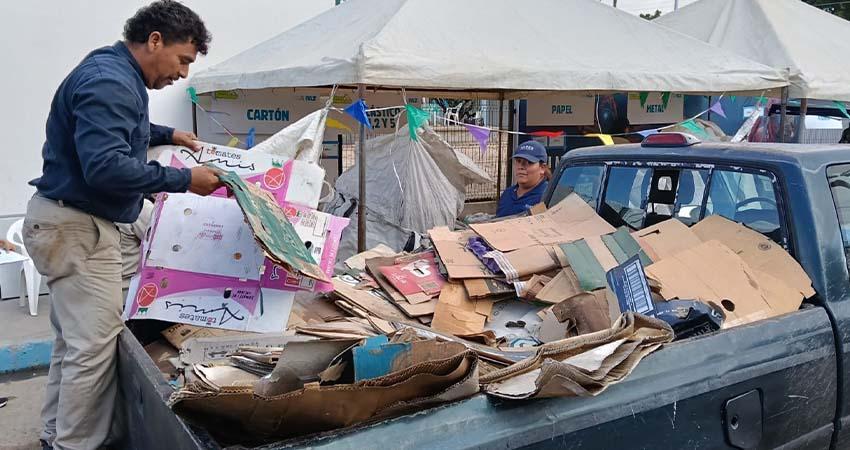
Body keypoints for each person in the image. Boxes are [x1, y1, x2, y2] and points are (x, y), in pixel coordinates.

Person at [22, 2, 222, 449]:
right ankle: (76, 444)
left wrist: (169, 135)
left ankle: (57, 436)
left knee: (73, 344)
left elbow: (120, 130)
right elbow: (106, 167)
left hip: (65, 220)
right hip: (79, 226)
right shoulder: (112, 81)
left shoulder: (112, 71)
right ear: (154, 40)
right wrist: (184, 180)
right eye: (183, 60)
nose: (183, 74)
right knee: (93, 350)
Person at [496, 141, 551, 217]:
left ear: (542, 168)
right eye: (518, 161)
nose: (521, 167)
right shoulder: (507, 194)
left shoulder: (548, 196)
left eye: (529, 162)